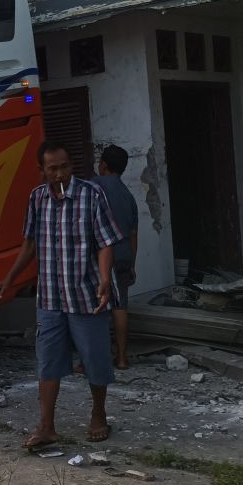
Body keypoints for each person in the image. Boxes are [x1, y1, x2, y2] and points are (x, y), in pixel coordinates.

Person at [0, 141, 123, 448]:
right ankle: (47, 426)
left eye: (64, 167)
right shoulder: (37, 198)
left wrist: (105, 279)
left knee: (95, 359)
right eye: (53, 169)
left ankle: (99, 414)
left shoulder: (92, 194)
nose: (60, 174)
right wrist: (9, 279)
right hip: (50, 298)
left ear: (71, 165)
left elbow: (105, 242)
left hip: (87, 295)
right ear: (42, 170)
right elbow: (29, 244)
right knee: (48, 362)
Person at [92, 145, 139, 370]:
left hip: (102, 256)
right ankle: (121, 358)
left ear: (103, 165)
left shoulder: (93, 186)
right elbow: (133, 235)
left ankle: (90, 361)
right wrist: (132, 265)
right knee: (120, 307)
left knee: (96, 308)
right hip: (123, 255)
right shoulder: (128, 196)